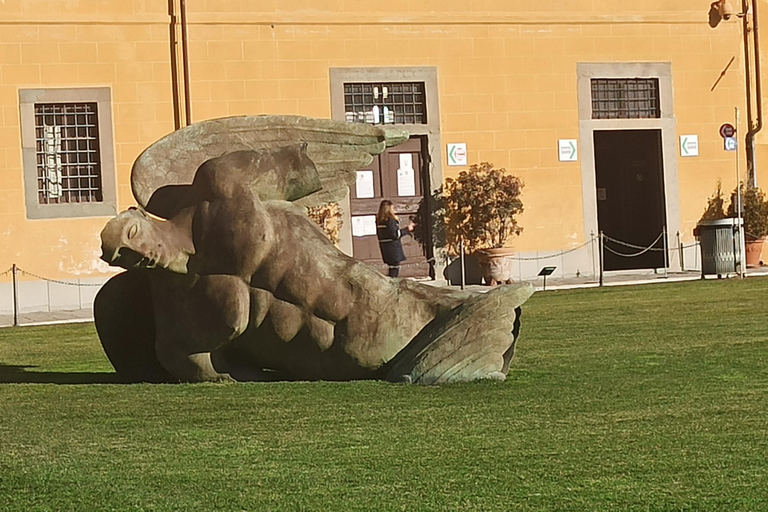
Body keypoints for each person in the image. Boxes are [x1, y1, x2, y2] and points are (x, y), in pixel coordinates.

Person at [376, 200, 414, 277]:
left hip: (385, 247)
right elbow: (395, 234)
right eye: (392, 208)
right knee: (394, 269)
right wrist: (407, 229)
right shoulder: (390, 220)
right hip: (393, 248)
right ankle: (392, 285)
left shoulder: (379, 220)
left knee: (391, 268)